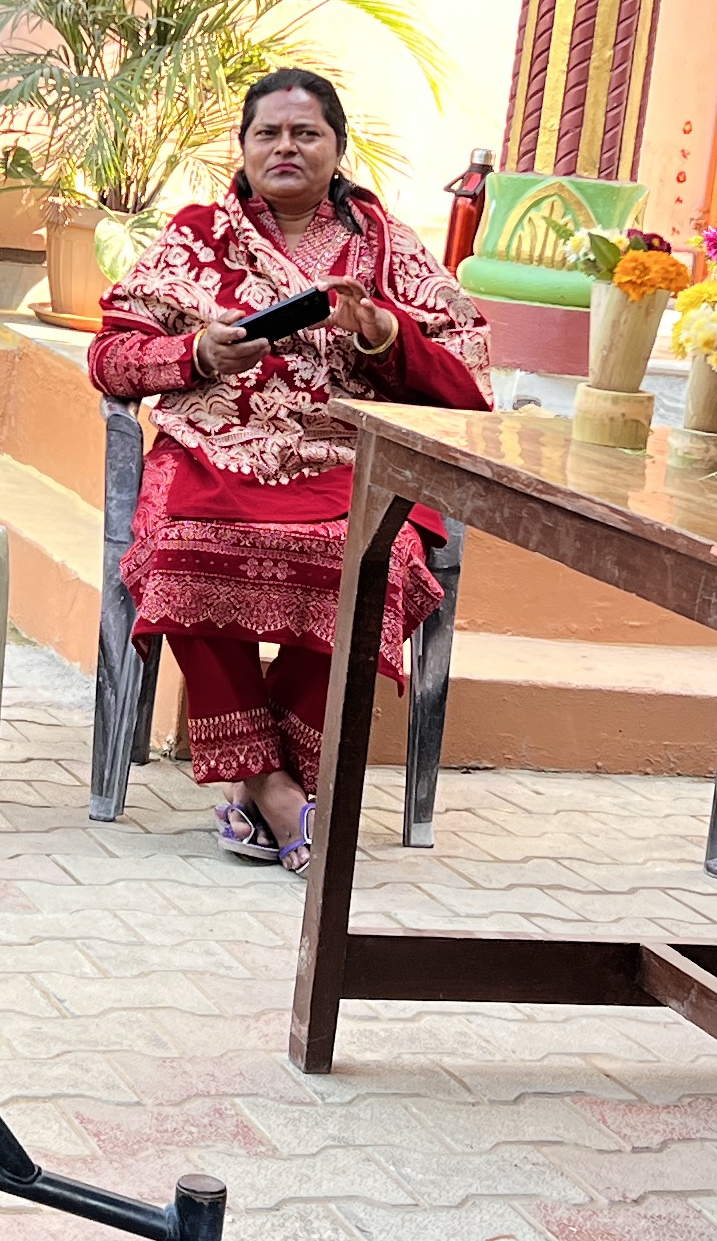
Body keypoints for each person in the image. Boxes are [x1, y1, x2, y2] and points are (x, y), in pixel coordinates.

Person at [87, 70, 493, 870]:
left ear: (337, 149)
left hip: (345, 455)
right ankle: (277, 788)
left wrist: (381, 333)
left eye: (305, 133)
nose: (285, 147)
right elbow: (110, 355)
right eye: (268, 133)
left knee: (374, 563)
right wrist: (196, 351)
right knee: (178, 553)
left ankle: (260, 786)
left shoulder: (389, 249)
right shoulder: (196, 235)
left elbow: (470, 381)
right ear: (241, 148)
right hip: (212, 447)